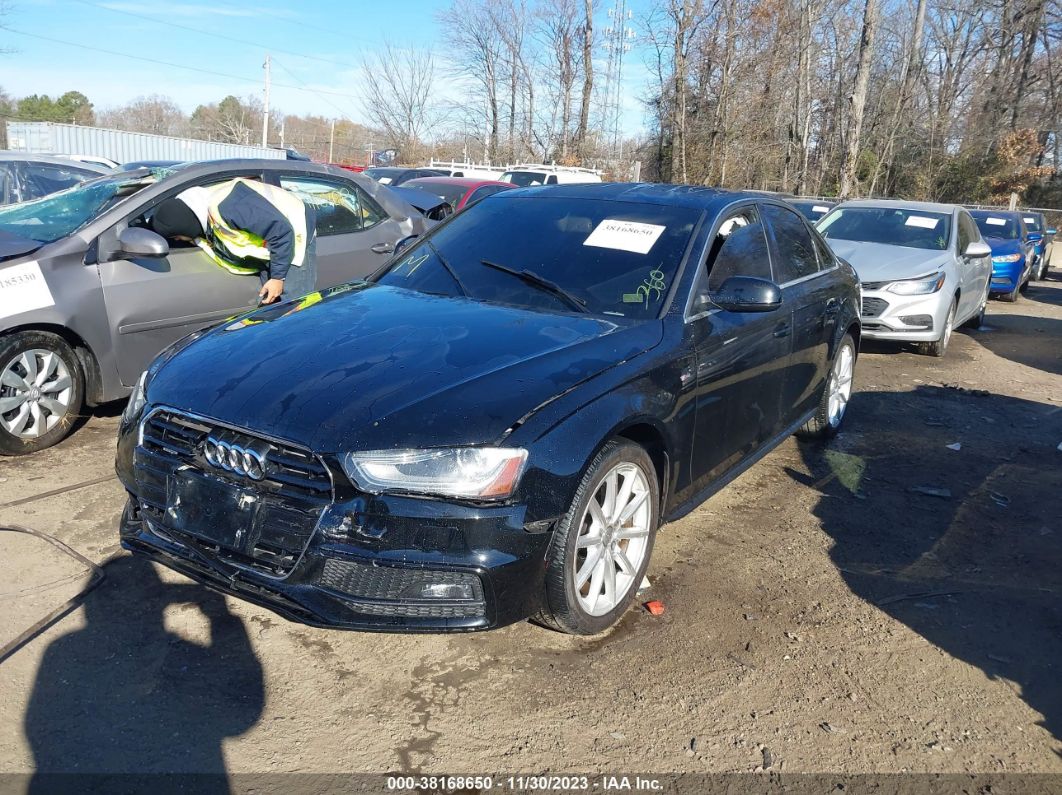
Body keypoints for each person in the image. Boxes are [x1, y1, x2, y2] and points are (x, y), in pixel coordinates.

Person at [150, 178, 317, 304]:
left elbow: (281, 231)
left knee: (294, 304)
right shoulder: (204, 210)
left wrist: (278, 278)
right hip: (271, 236)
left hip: (293, 228)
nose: (179, 240)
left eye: (177, 236)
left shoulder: (230, 207)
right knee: (272, 301)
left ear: (185, 225)